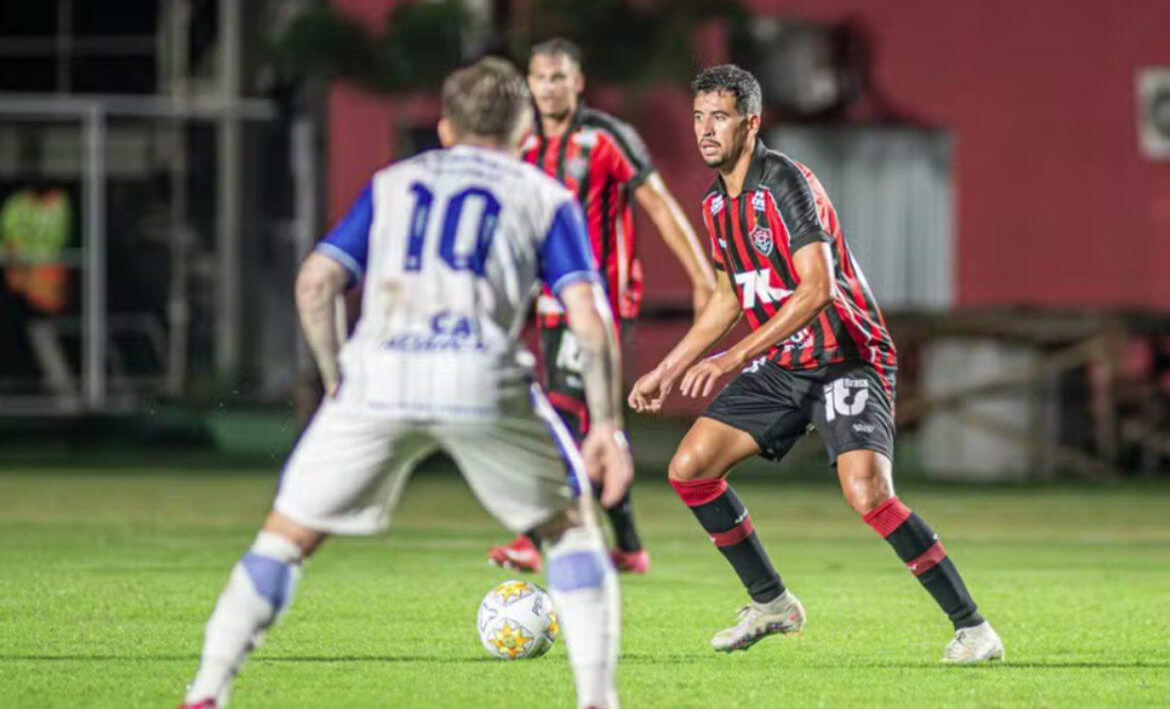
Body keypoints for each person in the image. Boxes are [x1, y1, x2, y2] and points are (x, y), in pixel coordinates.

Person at [177, 57, 631, 709]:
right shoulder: (544, 195)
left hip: (378, 377)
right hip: (482, 376)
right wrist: (607, 424)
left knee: (285, 538)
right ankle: (596, 700)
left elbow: (316, 282)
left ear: (445, 128)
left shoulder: (393, 184)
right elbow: (590, 318)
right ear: (524, 131)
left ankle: (206, 689)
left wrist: (335, 377)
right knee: (571, 530)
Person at [628, 64, 1003, 663]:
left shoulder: (785, 183)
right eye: (699, 117)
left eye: (719, 117)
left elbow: (818, 289)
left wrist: (734, 356)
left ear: (751, 123)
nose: (705, 130)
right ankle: (772, 603)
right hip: (783, 363)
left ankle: (974, 628)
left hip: (845, 357)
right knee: (691, 469)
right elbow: (728, 298)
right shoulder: (715, 204)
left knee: (867, 493)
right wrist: (668, 369)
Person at [488, 37, 716, 575]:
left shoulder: (607, 138)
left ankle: (532, 536)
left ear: (578, 82)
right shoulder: (523, 143)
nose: (549, 88)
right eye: (540, 78)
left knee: (566, 413)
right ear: (529, 84)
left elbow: (659, 206)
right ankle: (630, 546)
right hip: (549, 304)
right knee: (592, 421)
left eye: (559, 78)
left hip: (602, 303)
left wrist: (702, 276)